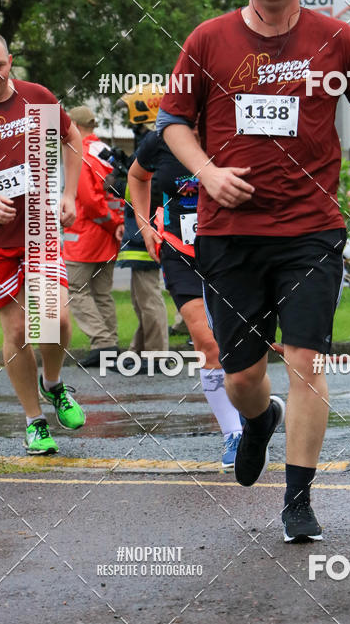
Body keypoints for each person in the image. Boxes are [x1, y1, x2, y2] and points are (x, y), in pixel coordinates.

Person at [156, 0, 350, 541]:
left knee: (306, 357)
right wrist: (207, 173)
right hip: (230, 231)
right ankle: (259, 422)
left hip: (310, 228)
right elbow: (174, 123)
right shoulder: (208, 40)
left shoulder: (337, 39)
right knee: (240, 375)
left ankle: (298, 497)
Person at [0, 31, 86, 454]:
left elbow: (73, 140)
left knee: (57, 321)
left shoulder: (38, 97)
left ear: (10, 61)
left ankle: (53, 384)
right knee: (17, 329)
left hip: (39, 228)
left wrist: (69, 195)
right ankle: (34, 420)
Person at [128, 129, 243, 468]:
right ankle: (233, 434)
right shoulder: (160, 139)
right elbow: (137, 176)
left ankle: (252, 408)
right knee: (207, 343)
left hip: (231, 249)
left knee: (239, 342)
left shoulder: (227, 129)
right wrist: (145, 224)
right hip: (180, 252)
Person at [63, 106, 125, 367]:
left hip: (86, 235)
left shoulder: (80, 152)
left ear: (75, 126)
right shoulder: (106, 152)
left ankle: (102, 343)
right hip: (110, 234)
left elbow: (89, 201)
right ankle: (110, 344)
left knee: (75, 289)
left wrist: (110, 224)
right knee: (101, 292)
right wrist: (117, 225)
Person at [115, 87, 169, 366]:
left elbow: (153, 188)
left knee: (148, 298)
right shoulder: (152, 140)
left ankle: (158, 355)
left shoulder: (156, 141)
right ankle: (138, 351)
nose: (127, 116)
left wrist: (121, 185)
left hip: (146, 233)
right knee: (141, 299)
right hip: (136, 231)